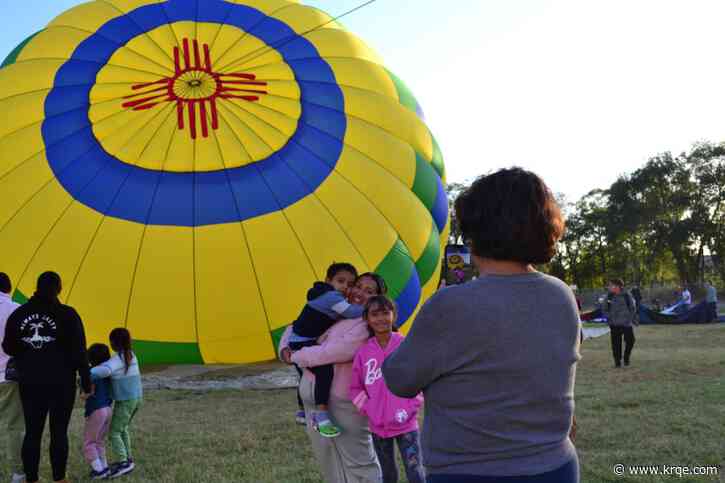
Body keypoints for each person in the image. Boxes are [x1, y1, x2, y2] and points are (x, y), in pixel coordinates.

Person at [382, 167, 581, 483]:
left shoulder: (449, 306)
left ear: (475, 231)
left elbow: (399, 379)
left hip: (469, 471)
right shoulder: (561, 295)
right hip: (556, 465)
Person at [280, 272, 387, 483]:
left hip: (344, 403)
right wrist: (284, 348)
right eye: (358, 286)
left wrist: (296, 356)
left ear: (376, 298)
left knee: (359, 462)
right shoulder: (335, 310)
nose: (359, 293)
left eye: (369, 291)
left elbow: (334, 351)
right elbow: (295, 326)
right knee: (328, 460)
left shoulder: (366, 324)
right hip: (313, 401)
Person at [2, 271, 92, 483]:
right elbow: (80, 352)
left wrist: (28, 353)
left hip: (30, 382)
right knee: (59, 432)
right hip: (62, 384)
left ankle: (31, 479)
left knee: (32, 432)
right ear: (59, 289)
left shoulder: (20, 314)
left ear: (36, 287)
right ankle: (59, 479)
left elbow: (8, 346)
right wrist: (86, 383)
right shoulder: (68, 314)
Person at [350, 295, 425, 483]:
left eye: (385, 313)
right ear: (367, 319)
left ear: (394, 315)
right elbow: (355, 387)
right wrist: (369, 409)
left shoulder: (406, 346)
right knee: (388, 474)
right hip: (378, 426)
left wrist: (410, 407)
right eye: (375, 314)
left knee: (415, 471)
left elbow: (420, 379)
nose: (381, 318)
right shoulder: (363, 352)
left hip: (406, 423)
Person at [288, 262, 363, 438]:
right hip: (303, 342)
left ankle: (301, 412)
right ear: (329, 281)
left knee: (304, 374)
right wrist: (371, 307)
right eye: (341, 281)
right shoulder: (332, 297)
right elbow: (351, 312)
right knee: (324, 372)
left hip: (300, 340)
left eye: (350, 284)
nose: (345, 287)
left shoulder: (323, 295)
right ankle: (321, 416)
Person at [91, 328, 143, 479]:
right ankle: (128, 459)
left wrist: (86, 373)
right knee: (123, 429)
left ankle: (123, 462)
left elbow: (104, 371)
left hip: (126, 401)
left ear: (113, 343)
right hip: (137, 398)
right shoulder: (131, 355)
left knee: (114, 432)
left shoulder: (117, 359)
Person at [0, 273, 24, 483]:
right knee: (14, 426)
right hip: (10, 376)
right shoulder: (17, 310)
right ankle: (17, 473)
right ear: (9, 288)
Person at [84, 343, 114, 480]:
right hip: (108, 409)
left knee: (89, 443)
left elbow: (87, 394)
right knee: (100, 441)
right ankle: (105, 467)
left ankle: (99, 471)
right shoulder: (109, 371)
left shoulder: (92, 373)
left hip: (96, 410)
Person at [603, 279, 638, 368]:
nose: (610, 287)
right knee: (616, 344)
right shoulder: (609, 297)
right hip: (614, 324)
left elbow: (633, 308)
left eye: (611, 285)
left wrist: (629, 319)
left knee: (631, 341)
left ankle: (626, 357)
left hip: (626, 323)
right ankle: (617, 362)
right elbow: (604, 309)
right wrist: (609, 318)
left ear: (618, 286)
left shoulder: (627, 295)